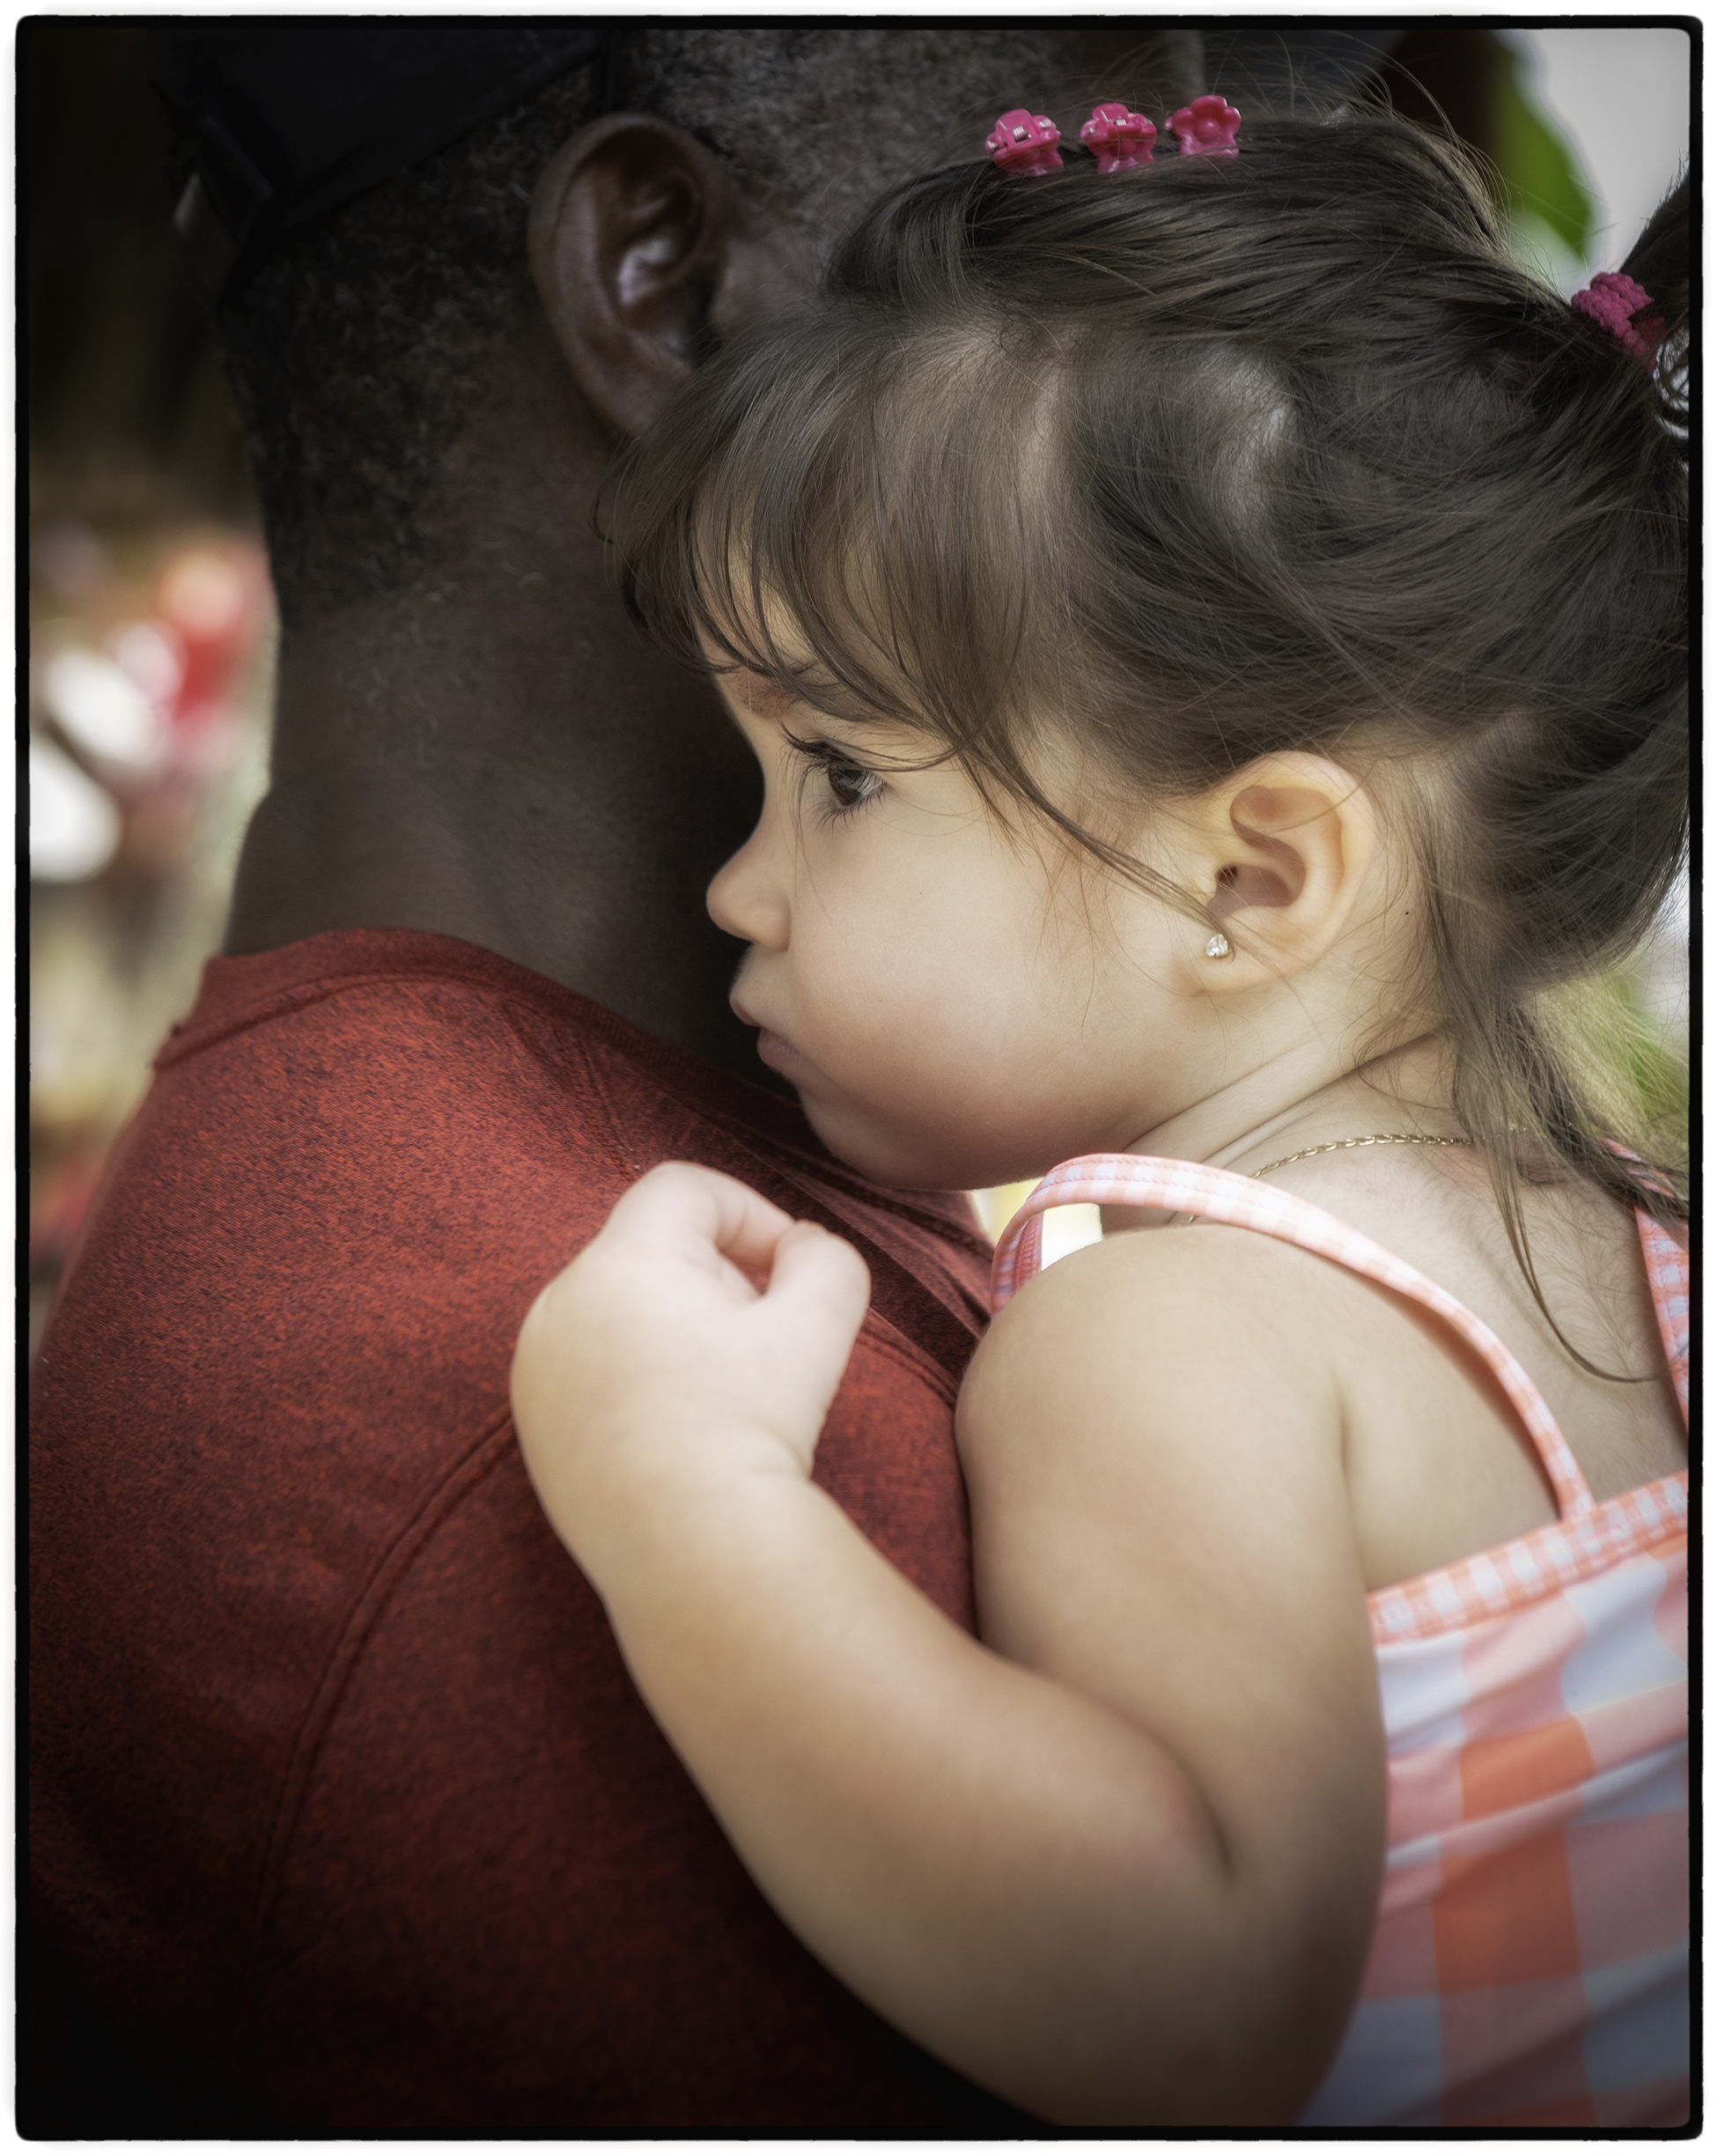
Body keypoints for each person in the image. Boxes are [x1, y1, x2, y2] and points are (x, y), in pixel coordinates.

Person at [26, 23, 1218, 2136]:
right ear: (665, 282)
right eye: (1044, 224)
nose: (1187, 362)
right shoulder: (595, 1440)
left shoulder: (675, 1197)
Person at [509, 101, 1691, 2129]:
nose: (735, 882)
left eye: (841, 773)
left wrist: (682, 1496)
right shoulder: (1634, 1238)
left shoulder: (1166, 1331)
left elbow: (1184, 2008)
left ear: (1248, 879)